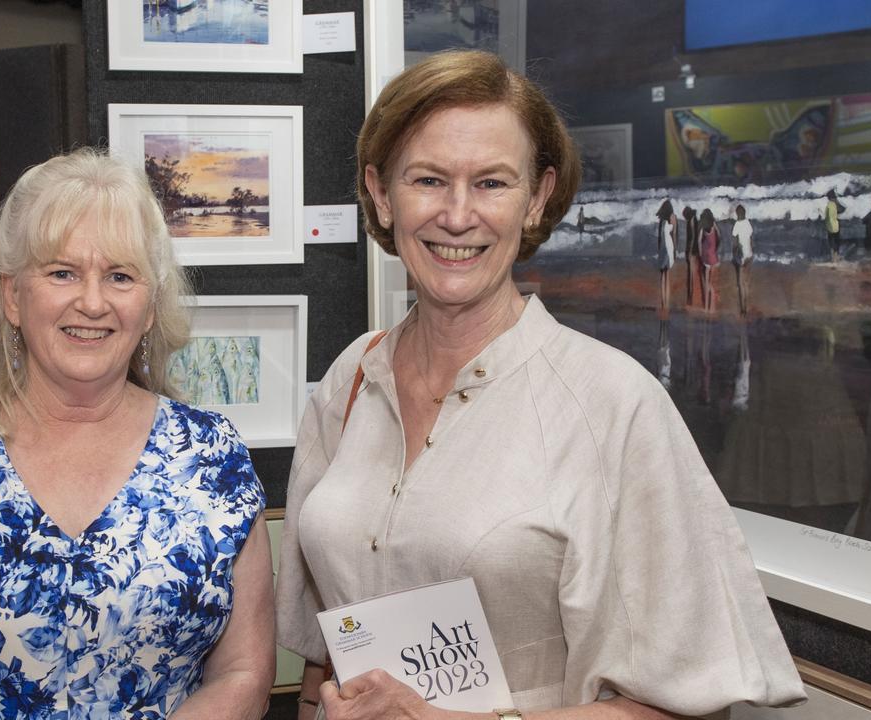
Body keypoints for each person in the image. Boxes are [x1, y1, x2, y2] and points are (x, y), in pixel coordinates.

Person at [275, 50, 804, 720]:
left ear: (539, 197)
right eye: (429, 179)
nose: (458, 215)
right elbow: (327, 656)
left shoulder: (615, 406)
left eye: (492, 183)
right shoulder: (350, 380)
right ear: (382, 194)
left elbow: (688, 706)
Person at [0, 149, 275, 720]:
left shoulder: (212, 457)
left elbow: (246, 672)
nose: (92, 302)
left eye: (120, 276)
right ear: (11, 297)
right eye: (62, 272)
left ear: (149, 308)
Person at [731, 204, 753, 316]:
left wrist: (733, 255)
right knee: (746, 282)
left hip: (741, 256)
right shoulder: (748, 223)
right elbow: (751, 239)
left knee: (740, 283)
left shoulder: (737, 224)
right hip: (749, 255)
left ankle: (743, 308)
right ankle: (746, 305)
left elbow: (735, 242)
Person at [655, 199, 677, 314]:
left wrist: (659, 251)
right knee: (667, 277)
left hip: (663, 249)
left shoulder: (661, 220)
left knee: (662, 277)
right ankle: (666, 304)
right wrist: (675, 251)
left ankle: (663, 303)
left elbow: (659, 238)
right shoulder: (673, 217)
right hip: (669, 247)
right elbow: (674, 235)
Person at [699, 207, 721, 313]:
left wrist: (700, 254)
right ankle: (712, 307)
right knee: (711, 282)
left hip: (706, 257)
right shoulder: (714, 226)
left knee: (707, 283)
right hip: (713, 255)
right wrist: (716, 247)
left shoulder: (703, 228)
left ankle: (708, 308)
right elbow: (719, 236)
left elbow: (699, 241)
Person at [682, 205, 699, 306]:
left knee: (690, 276)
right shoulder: (694, 219)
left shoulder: (691, 221)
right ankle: (690, 298)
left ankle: (690, 299)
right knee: (692, 276)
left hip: (692, 251)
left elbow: (692, 237)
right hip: (695, 250)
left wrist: (689, 251)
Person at [824, 189, 845, 261]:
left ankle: (832, 256)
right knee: (836, 241)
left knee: (831, 241)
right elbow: (842, 209)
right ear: (833, 197)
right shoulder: (834, 204)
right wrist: (837, 202)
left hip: (829, 225)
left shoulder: (828, 205)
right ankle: (835, 257)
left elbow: (827, 215)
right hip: (835, 226)